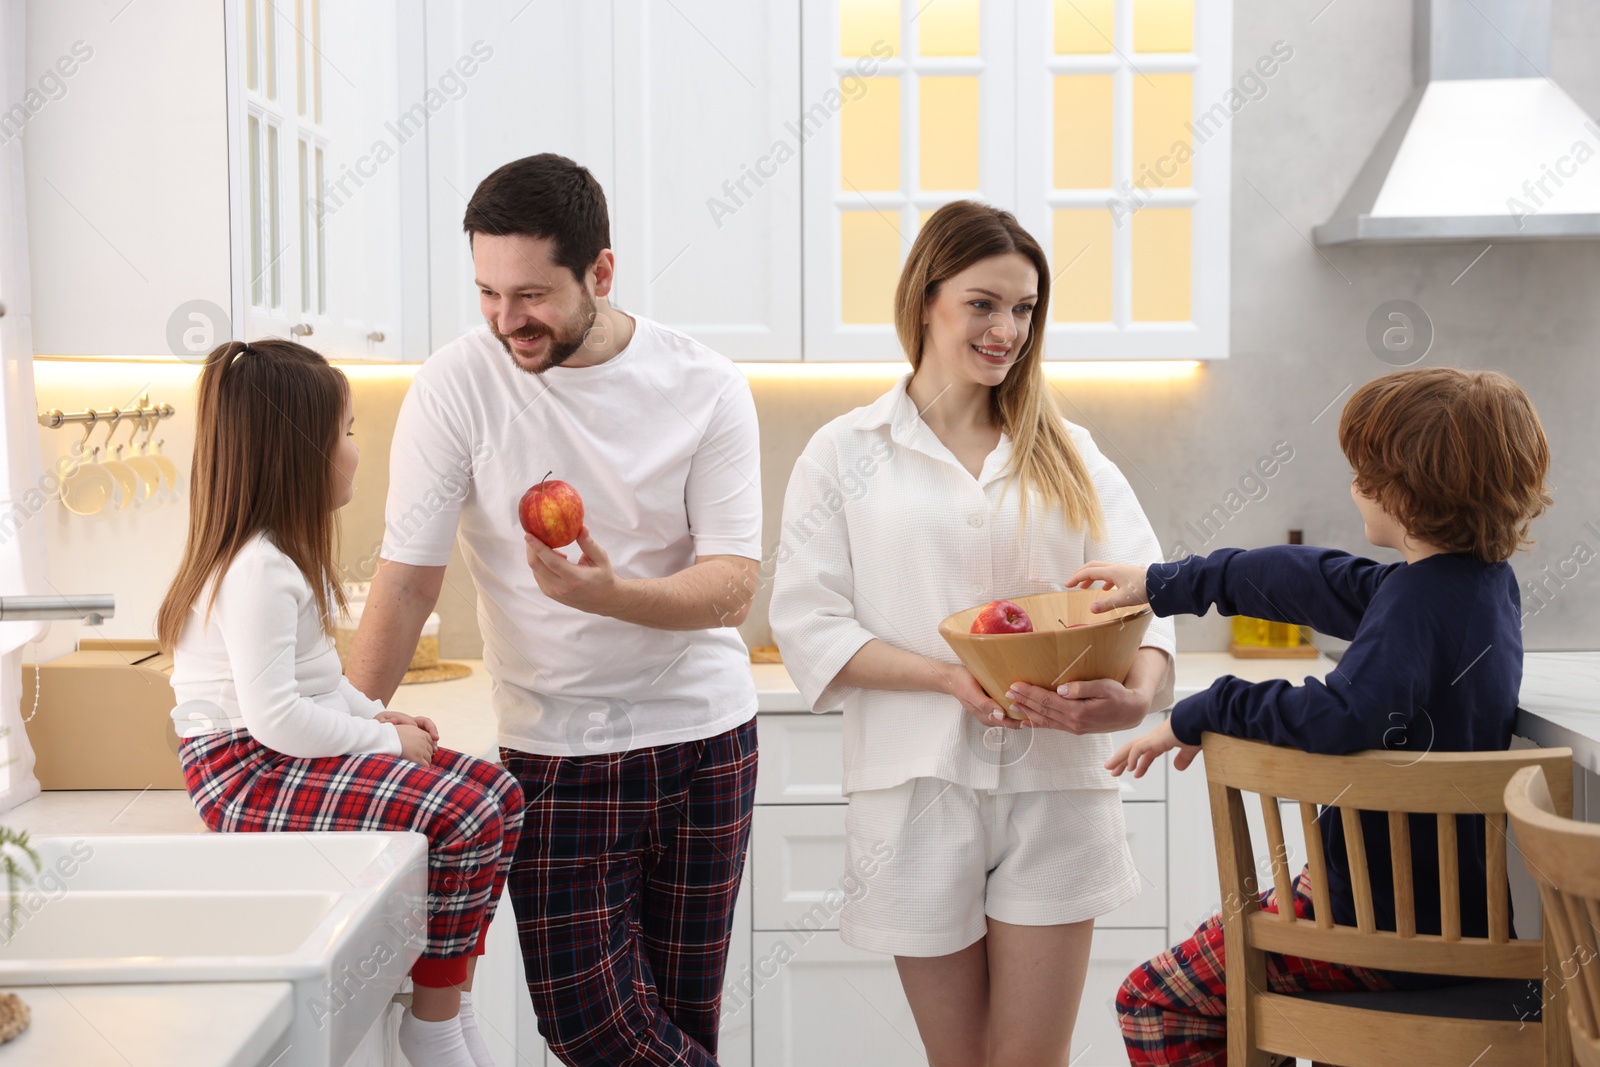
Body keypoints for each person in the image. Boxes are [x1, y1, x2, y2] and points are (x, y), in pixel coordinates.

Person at [343, 153, 763, 1066]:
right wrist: (339, 734)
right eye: (488, 293)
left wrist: (614, 595)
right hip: (557, 749)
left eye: (530, 294)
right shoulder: (456, 385)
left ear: (600, 273)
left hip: (704, 741)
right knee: (588, 1026)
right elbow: (408, 579)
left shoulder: (706, 385)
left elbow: (734, 583)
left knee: (683, 1024)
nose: (505, 320)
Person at [769, 199, 1176, 1065]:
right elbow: (808, 619)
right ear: (926, 299)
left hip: (1058, 786)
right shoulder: (845, 453)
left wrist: (1133, 695)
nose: (1007, 330)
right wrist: (951, 678)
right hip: (918, 785)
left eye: (1025, 309)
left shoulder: (1068, 450)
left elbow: (1146, 595)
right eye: (983, 303)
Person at [1068, 367, 1553, 1067]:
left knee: (1153, 998)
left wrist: (1207, 708)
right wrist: (1161, 582)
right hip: (1458, 923)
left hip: (1374, 924)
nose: (1354, 484)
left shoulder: (1414, 603)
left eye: (1364, 471)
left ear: (1405, 493)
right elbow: (1312, 578)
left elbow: (1343, 716)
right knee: (1237, 947)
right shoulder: (1475, 587)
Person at [160, 339, 524, 1067]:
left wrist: (372, 715)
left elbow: (315, 687)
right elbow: (275, 720)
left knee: (501, 793)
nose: (356, 449)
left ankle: (451, 1005)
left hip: (275, 755)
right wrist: (386, 746)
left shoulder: (278, 559)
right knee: (466, 811)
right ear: (299, 455)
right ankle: (431, 1022)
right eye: (347, 433)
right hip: (245, 775)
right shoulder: (256, 571)